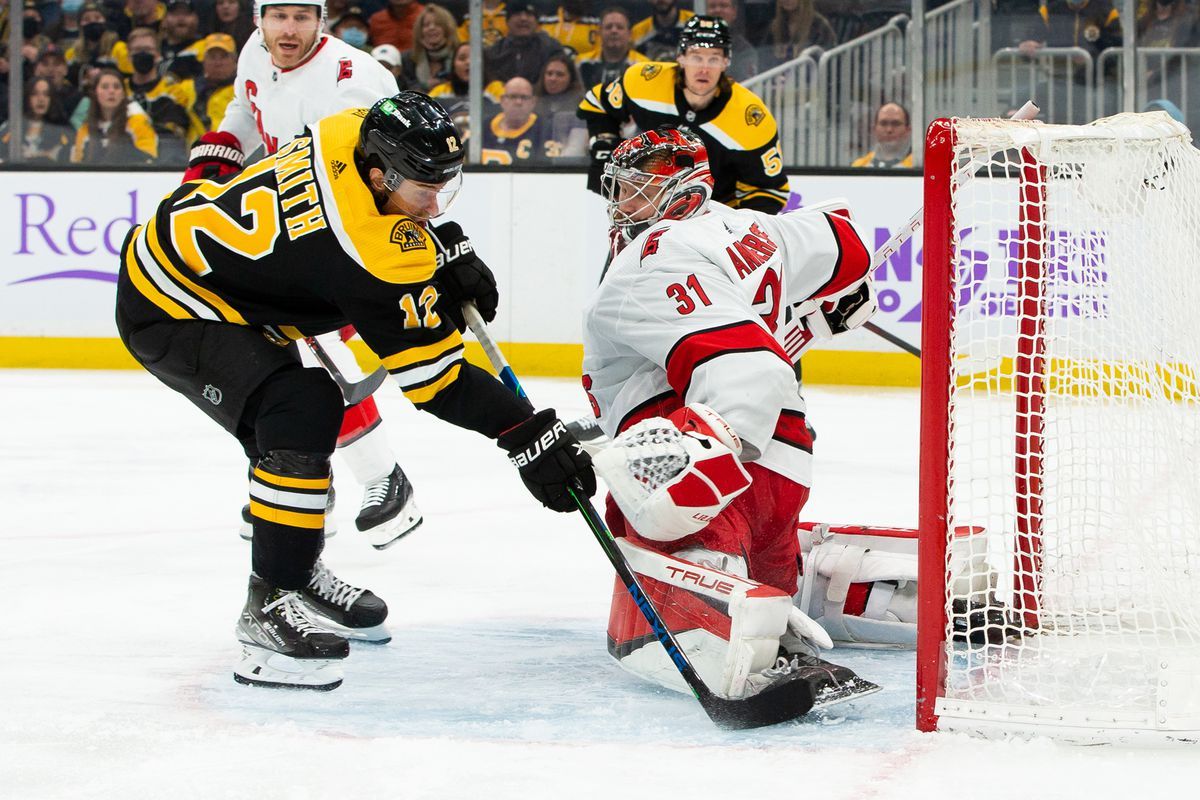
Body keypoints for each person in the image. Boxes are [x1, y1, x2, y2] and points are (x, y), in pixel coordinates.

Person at [115, 91, 596, 690]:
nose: (435, 202)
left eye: (444, 186)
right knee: (299, 408)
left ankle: (294, 568)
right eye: (425, 191)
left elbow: (390, 227)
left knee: (291, 424)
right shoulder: (366, 248)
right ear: (379, 174)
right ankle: (269, 604)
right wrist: (524, 431)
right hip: (172, 308)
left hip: (199, 264)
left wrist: (439, 243)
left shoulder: (349, 129)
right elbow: (438, 383)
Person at [581, 128, 880, 699]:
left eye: (638, 191)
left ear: (682, 187)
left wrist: (708, 450)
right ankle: (776, 623)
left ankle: (718, 630)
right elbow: (844, 242)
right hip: (786, 460)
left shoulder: (652, 260)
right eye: (620, 192)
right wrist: (838, 301)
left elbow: (748, 372)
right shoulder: (752, 225)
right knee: (765, 574)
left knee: (643, 493)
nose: (623, 206)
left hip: (714, 465)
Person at [193, 0, 425, 549]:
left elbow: (386, 169)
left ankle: (379, 480)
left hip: (354, 223)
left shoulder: (355, 77)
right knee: (276, 358)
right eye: (278, 17)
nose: (289, 29)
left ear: (321, 20)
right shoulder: (255, 53)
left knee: (329, 353)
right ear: (259, 21)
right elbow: (245, 112)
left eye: (301, 17)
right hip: (290, 219)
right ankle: (308, 481)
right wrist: (212, 166)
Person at [579, 16, 790, 216]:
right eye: (696, 57)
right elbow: (597, 103)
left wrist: (732, 227)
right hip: (649, 205)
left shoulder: (750, 118)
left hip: (712, 215)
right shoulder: (645, 82)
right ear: (680, 57)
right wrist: (604, 153)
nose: (704, 68)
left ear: (726, 62)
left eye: (714, 59)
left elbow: (769, 191)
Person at [126, 26, 203, 164]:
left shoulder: (174, 92)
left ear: (158, 55)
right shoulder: (119, 90)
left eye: (148, 50)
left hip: (165, 164)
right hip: (121, 161)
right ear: (128, 55)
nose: (143, 54)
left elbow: (174, 134)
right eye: (137, 50)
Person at [72, 66, 159, 164]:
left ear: (123, 94)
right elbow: (77, 164)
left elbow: (149, 160)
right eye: (105, 87)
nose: (111, 91)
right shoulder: (85, 129)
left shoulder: (138, 121)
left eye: (117, 87)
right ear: (95, 93)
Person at [483, 2, 564, 85]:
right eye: (517, 14)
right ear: (507, 21)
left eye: (529, 14)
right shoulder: (494, 53)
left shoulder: (550, 49)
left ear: (536, 22)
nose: (523, 18)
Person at [0, 76, 74, 164]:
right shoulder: (11, 128)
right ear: (27, 98)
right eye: (35, 94)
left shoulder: (63, 131)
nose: (41, 99)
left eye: (46, 94)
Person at [481, 75, 553, 165]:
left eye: (524, 97)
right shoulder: (483, 127)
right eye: (513, 96)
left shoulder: (546, 130)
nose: (518, 102)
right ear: (502, 100)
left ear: (533, 102)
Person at [575, 6, 646, 90]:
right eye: (608, 27)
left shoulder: (643, 65)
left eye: (620, 27)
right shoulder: (581, 63)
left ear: (630, 34)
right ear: (599, 33)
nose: (614, 31)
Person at [534, 50, 585, 158]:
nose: (553, 78)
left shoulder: (582, 106)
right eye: (549, 73)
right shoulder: (533, 103)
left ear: (571, 79)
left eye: (560, 74)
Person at [398, 3, 458, 91]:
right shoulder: (407, 60)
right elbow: (403, 91)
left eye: (438, 24)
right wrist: (424, 86)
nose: (431, 28)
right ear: (420, 31)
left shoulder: (459, 56)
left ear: (447, 29)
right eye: (426, 25)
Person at [765, 0, 836, 69]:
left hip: (810, 77)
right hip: (777, 77)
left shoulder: (819, 25)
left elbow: (827, 61)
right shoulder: (775, 26)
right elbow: (764, 57)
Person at [190, 33, 238, 132]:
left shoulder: (244, 91)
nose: (218, 63)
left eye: (224, 57)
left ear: (235, 61)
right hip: (196, 146)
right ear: (204, 61)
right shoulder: (189, 88)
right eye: (212, 57)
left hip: (233, 145)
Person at [704, 0, 759, 81]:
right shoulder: (691, 44)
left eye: (723, 6)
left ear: (734, 12)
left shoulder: (745, 51)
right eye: (712, 6)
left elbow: (743, 87)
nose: (717, 10)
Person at [851, 101, 912, 168]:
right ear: (874, 129)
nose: (889, 130)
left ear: (907, 130)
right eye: (883, 123)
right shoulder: (860, 166)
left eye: (896, 124)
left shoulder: (919, 166)